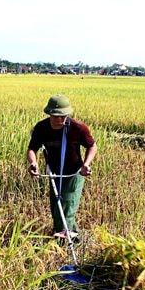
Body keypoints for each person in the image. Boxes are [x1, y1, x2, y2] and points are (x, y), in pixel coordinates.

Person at [27, 94, 97, 238]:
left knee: (67, 206)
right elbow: (32, 149)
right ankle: (76, 237)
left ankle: (64, 242)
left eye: (63, 116)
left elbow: (92, 146)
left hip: (74, 173)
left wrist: (86, 164)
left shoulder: (78, 128)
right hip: (54, 172)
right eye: (56, 116)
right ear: (49, 114)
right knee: (57, 207)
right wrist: (33, 163)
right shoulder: (42, 128)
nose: (60, 119)